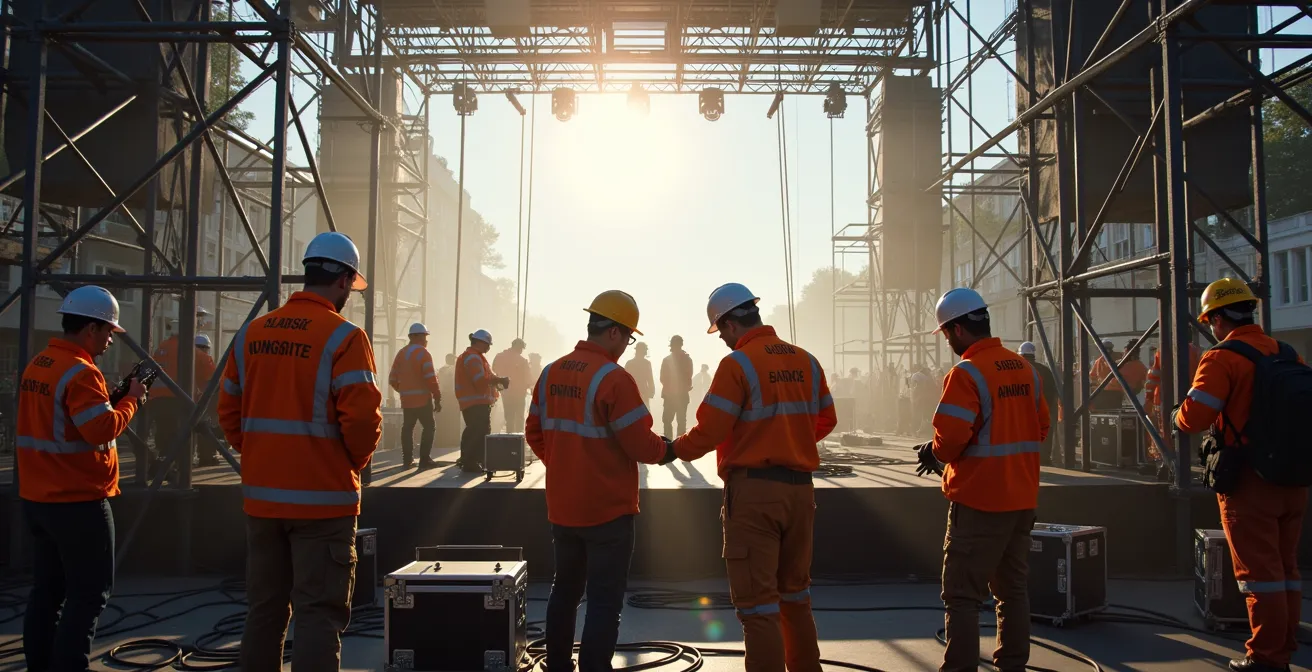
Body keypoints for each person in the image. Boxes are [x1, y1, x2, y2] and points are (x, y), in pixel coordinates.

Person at [217, 231, 383, 672]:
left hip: (263, 500)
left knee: (264, 612)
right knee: (318, 615)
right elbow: (363, 421)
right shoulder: (345, 337)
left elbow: (229, 413)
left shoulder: (252, 333)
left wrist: (261, 455)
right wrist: (349, 462)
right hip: (323, 504)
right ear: (345, 280)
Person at [671, 283, 837, 672]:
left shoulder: (739, 364)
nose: (724, 341)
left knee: (758, 606)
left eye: (721, 331)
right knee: (795, 597)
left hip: (755, 495)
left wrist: (671, 450)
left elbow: (710, 431)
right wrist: (788, 438)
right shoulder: (807, 361)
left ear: (729, 323)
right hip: (800, 494)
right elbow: (827, 418)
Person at [527, 290, 675, 672]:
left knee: (565, 590)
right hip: (608, 512)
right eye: (628, 338)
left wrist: (565, 464)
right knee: (605, 600)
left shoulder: (551, 372)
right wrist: (668, 451)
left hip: (563, 507)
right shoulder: (614, 378)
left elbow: (534, 431)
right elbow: (641, 444)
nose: (627, 346)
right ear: (613, 332)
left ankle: (558, 664)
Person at [1174, 278, 1306, 672]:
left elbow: (1195, 416)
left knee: (1259, 577)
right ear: (1250, 310)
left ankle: (1266, 658)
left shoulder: (1222, 358)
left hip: (1250, 483)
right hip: (1293, 478)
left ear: (1216, 318)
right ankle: (1285, 644)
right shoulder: (1285, 352)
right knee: (1286, 569)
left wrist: (1176, 416)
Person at [915, 287, 1048, 672]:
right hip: (1021, 499)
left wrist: (935, 452)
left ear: (956, 330)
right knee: (1013, 593)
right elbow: (1040, 427)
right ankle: (1012, 666)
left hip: (979, 503)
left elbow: (952, 439)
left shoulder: (966, 372)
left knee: (962, 596)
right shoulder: (1025, 369)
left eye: (945, 335)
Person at [18, 286, 146, 672]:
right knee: (89, 595)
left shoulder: (40, 363)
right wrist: (132, 400)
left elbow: (66, 423)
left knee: (47, 593)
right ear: (91, 328)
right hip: (77, 502)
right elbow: (100, 429)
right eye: (108, 332)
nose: (110, 340)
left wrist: (108, 396)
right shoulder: (81, 371)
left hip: (38, 499)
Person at [148, 306, 214, 471]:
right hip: (179, 400)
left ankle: (161, 464)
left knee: (164, 433)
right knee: (183, 434)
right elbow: (210, 382)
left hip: (155, 399)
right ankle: (178, 469)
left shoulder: (161, 348)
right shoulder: (194, 353)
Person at [1144, 340, 1203, 479]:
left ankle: (1168, 464)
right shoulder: (1195, 351)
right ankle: (1185, 462)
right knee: (1185, 429)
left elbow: (1153, 376)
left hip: (1164, 396)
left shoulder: (1163, 350)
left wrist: (1149, 397)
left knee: (1165, 430)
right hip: (1188, 395)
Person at [389, 323, 442, 470]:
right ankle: (425, 460)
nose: (426, 339)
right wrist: (437, 396)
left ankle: (407, 460)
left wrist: (404, 390)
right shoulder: (423, 353)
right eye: (424, 336)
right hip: (423, 399)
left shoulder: (401, 353)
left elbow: (392, 379)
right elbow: (430, 378)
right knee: (429, 427)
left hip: (407, 400)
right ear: (416, 336)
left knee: (407, 428)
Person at [455, 329, 508, 473]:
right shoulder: (473, 358)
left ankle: (471, 460)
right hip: (475, 402)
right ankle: (471, 462)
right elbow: (479, 381)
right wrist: (498, 380)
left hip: (475, 402)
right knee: (478, 432)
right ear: (479, 342)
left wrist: (497, 381)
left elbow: (485, 377)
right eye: (487, 344)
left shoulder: (474, 356)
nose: (489, 348)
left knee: (475, 431)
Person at [1019, 342, 1059, 467]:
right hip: (1044, 408)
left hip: (1024, 409)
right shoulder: (1045, 370)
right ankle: (1044, 459)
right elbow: (1053, 390)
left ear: (1022, 354)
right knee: (1044, 434)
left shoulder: (1018, 369)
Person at [493, 338, 532, 433]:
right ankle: (519, 437)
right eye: (521, 348)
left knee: (509, 416)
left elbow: (494, 369)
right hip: (519, 392)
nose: (521, 351)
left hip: (505, 391)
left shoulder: (499, 356)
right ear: (518, 347)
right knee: (519, 417)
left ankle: (509, 435)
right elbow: (528, 377)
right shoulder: (522, 360)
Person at [660, 335, 694, 438]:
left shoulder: (666, 360)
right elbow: (689, 376)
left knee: (667, 420)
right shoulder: (687, 359)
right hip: (682, 395)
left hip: (669, 395)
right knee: (681, 421)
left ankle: (668, 444)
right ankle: (680, 445)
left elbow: (662, 378)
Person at [624, 342, 656, 407]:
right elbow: (650, 379)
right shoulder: (646, 363)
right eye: (645, 350)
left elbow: (624, 379)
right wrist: (651, 391)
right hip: (642, 392)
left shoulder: (630, 363)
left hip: (633, 392)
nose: (645, 352)